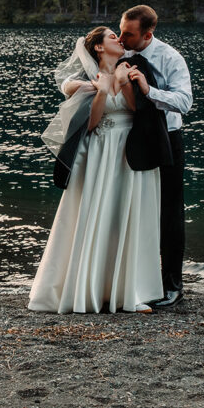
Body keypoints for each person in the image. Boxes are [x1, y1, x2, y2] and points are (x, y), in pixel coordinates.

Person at [28, 26, 163, 314]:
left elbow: (139, 110)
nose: (119, 38)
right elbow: (90, 124)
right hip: (100, 152)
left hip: (130, 151)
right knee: (96, 215)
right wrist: (102, 91)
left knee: (128, 216)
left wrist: (126, 82)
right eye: (112, 36)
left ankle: (128, 293)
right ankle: (88, 289)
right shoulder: (89, 81)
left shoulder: (133, 69)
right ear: (99, 48)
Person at [118, 5, 192, 308]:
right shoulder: (118, 53)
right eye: (120, 30)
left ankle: (173, 284)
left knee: (170, 212)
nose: (121, 37)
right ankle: (133, 280)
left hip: (165, 139)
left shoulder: (171, 58)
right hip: (126, 139)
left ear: (148, 34)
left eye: (129, 33)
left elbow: (184, 102)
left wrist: (150, 91)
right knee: (132, 208)